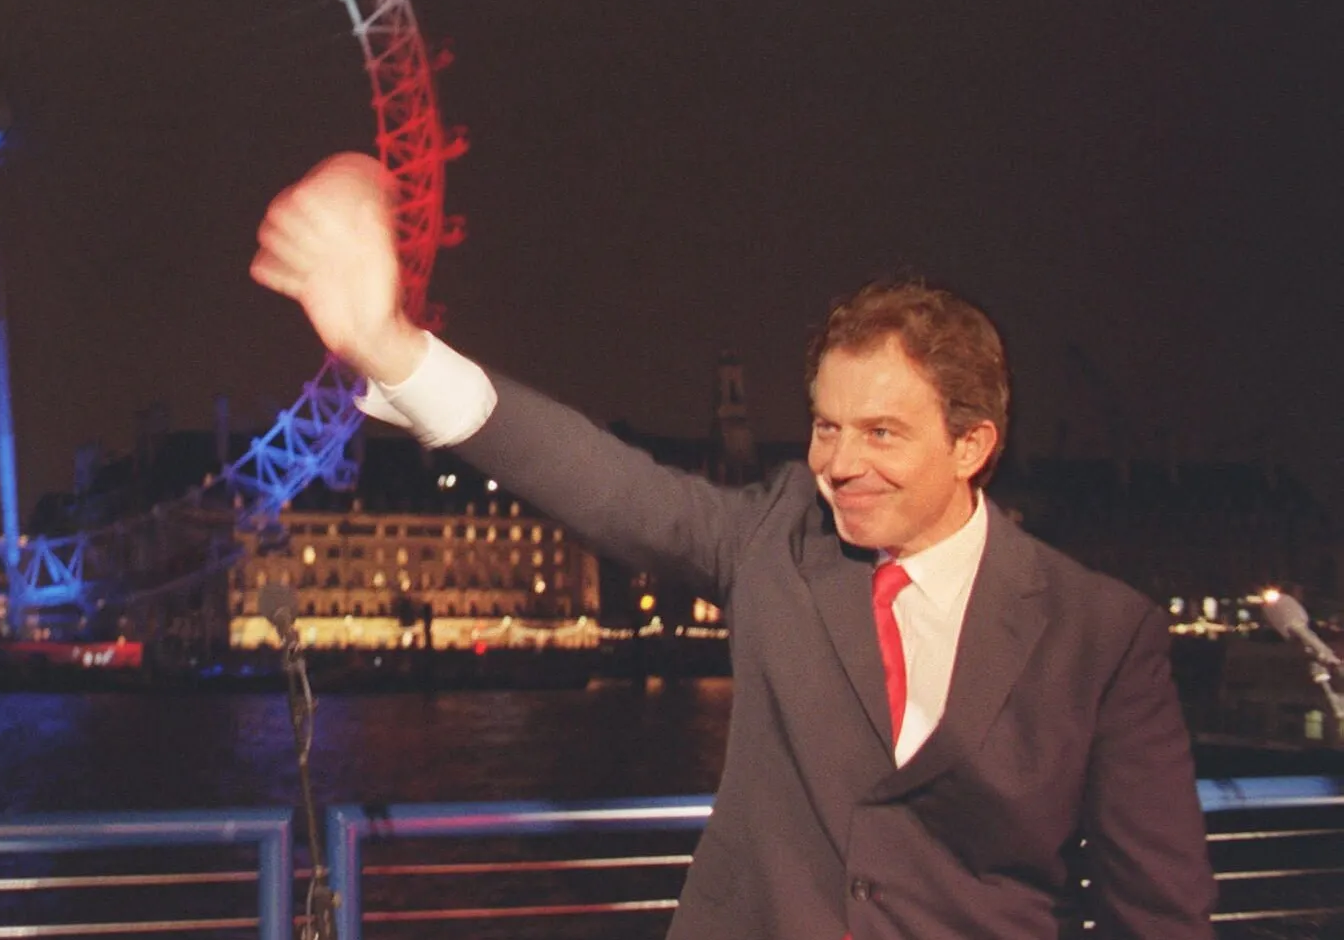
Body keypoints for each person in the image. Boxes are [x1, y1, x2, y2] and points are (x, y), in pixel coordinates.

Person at [249, 153, 1216, 938]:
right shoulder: (776, 536)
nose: (839, 462)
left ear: (974, 446)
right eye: (827, 427)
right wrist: (388, 345)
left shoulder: (1102, 636)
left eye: (882, 432)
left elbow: (1157, 911)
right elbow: (599, 480)